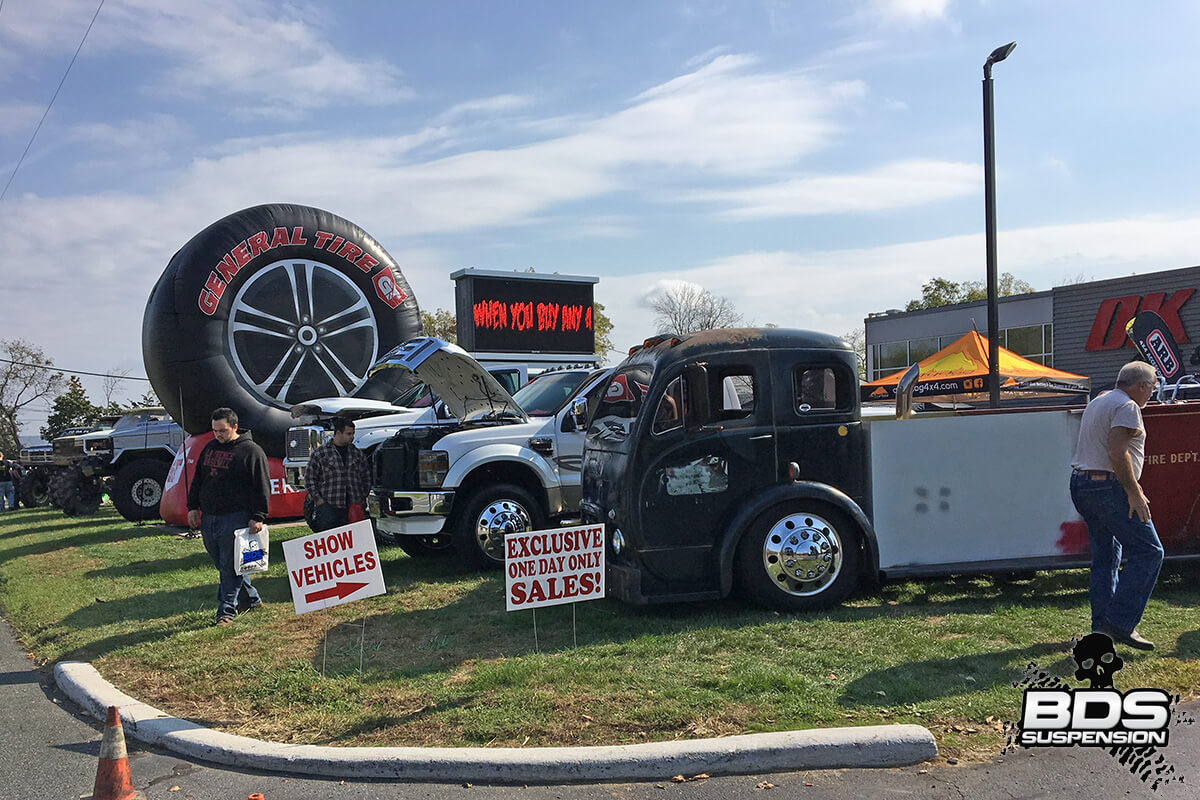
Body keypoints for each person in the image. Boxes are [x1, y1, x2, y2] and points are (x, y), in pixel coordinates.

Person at [1069, 361, 1163, 651]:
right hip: (1108, 488)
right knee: (1149, 552)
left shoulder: (1100, 400)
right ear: (1142, 386)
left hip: (1082, 483)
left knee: (1106, 557)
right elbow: (1116, 451)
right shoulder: (1127, 407)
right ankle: (1120, 623)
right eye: (1153, 387)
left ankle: (1101, 628)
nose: (1152, 393)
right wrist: (1133, 492)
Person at [186, 408, 270, 625]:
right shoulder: (210, 447)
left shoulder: (251, 451)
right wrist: (193, 506)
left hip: (236, 517)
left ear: (235, 427)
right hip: (210, 516)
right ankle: (252, 599)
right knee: (223, 563)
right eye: (215, 431)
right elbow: (198, 478)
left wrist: (258, 516)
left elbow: (262, 486)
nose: (218, 435)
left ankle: (225, 612)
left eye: (222, 430)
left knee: (229, 566)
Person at [305, 416, 371, 532]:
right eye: (348, 434)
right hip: (329, 506)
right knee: (329, 538)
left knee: (355, 538)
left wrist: (362, 498)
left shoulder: (357, 453)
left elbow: (366, 477)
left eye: (353, 434)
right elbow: (310, 479)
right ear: (338, 433)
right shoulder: (321, 453)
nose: (352, 437)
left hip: (353, 506)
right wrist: (319, 500)